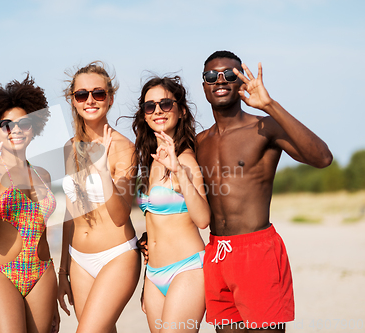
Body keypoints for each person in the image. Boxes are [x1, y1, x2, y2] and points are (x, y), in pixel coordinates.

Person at [195, 50, 333, 332]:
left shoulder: (263, 126)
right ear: (204, 85)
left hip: (256, 251)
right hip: (217, 253)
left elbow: (322, 158)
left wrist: (270, 105)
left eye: (230, 74)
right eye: (212, 75)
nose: (220, 80)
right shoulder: (199, 142)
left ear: (241, 81)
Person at [0, 74, 59, 333]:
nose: (17, 130)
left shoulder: (43, 174)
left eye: (25, 123)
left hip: (42, 272)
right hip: (0, 273)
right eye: (7, 124)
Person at [58, 61, 141, 333]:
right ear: (73, 100)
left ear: (110, 98)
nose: (90, 100)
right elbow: (70, 213)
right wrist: (63, 270)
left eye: (98, 93)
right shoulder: (68, 148)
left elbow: (120, 216)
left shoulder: (124, 148)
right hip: (78, 260)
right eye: (82, 95)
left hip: (117, 255)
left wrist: (103, 171)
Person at [132, 75, 211, 332]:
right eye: (150, 106)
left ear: (181, 110)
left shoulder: (185, 160)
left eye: (166, 104)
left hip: (187, 269)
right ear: (144, 114)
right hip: (154, 275)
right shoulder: (151, 160)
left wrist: (178, 171)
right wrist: (147, 278)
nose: (157, 111)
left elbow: (202, 219)